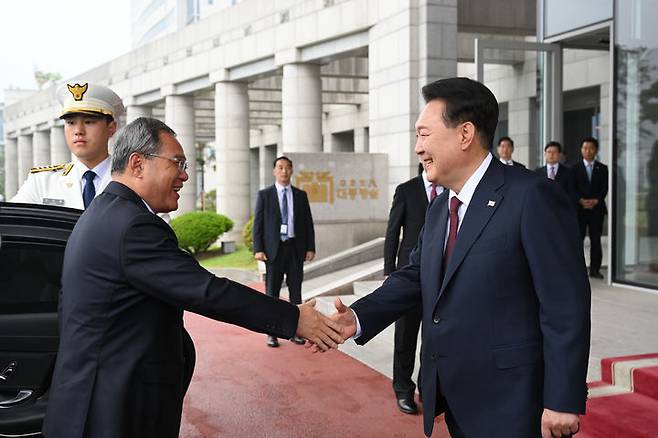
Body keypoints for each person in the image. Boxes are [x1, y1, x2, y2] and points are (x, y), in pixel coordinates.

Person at [41, 117, 342, 438]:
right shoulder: (133, 226)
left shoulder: (101, 214)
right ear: (138, 164)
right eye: (177, 163)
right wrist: (295, 318)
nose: (185, 175)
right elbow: (207, 291)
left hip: (88, 402)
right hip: (111, 411)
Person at [323, 78, 590, 438]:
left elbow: (565, 305)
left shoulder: (532, 196)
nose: (418, 148)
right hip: (456, 397)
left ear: (465, 134)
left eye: (424, 135)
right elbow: (416, 275)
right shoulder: (440, 207)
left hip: (513, 403)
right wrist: (356, 317)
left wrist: (563, 398)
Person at [383, 161, 442, 415]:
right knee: (405, 337)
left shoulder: (450, 190)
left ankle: (427, 390)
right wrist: (390, 272)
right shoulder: (406, 190)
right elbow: (392, 232)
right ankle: (403, 389)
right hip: (408, 276)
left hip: (440, 278)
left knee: (432, 339)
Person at [12, 82, 122, 209]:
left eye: (89, 122)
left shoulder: (132, 181)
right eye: (71, 123)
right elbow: (11, 222)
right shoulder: (42, 182)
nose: (78, 131)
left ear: (111, 128)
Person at [253, 156, 316, 348]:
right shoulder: (265, 195)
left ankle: (297, 331)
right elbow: (258, 224)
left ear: (292, 171)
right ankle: (271, 333)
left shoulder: (300, 195)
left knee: (296, 292)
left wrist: (310, 247)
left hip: (295, 249)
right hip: (274, 250)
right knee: (272, 293)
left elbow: (307, 223)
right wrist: (258, 248)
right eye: (280, 167)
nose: (284, 171)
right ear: (274, 171)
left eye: (288, 167)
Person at [571, 137, 608, 279]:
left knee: (596, 241)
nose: (588, 151)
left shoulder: (603, 168)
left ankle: (595, 270)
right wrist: (580, 200)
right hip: (579, 210)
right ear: (581, 150)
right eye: (585, 148)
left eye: (591, 148)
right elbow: (571, 188)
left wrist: (596, 200)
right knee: (577, 241)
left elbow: (605, 188)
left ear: (596, 150)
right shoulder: (574, 168)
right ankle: (577, 269)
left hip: (596, 210)